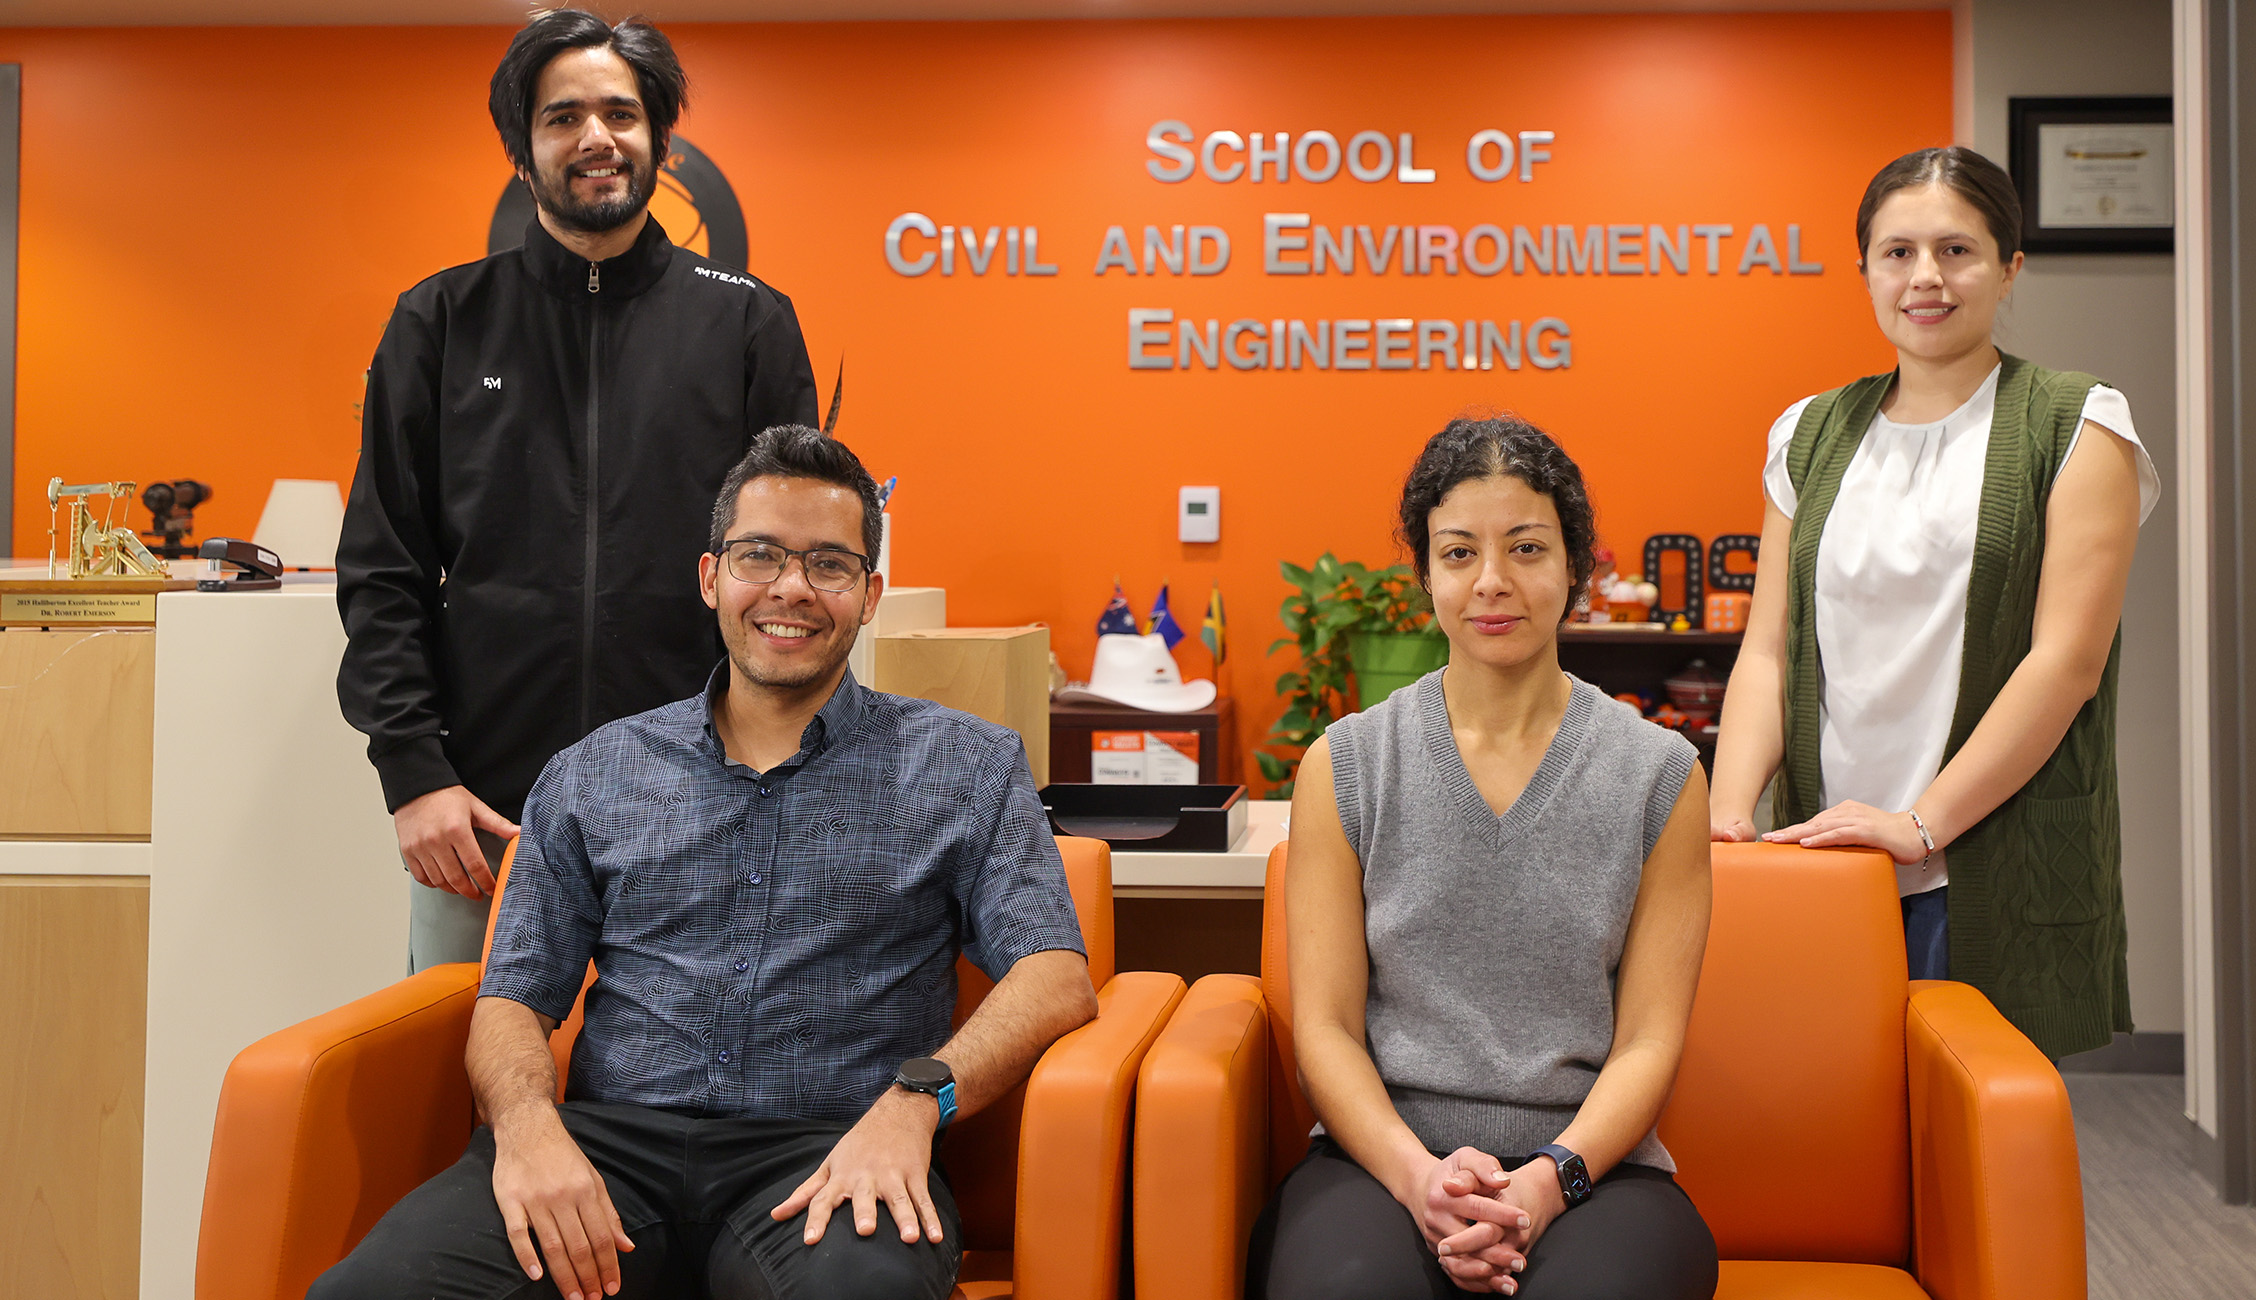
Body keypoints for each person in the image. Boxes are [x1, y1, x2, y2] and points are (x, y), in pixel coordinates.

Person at [312, 426, 1096, 1300]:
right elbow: (513, 1001)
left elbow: (1055, 974)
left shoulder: (965, 765)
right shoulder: (593, 772)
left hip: (832, 1152)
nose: (792, 589)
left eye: (830, 565)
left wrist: (920, 1103)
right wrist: (529, 1126)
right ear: (711, 577)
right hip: (607, 1151)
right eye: (760, 554)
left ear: (870, 595)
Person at [338, 8, 821, 972]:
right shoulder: (439, 323)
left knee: (686, 1106)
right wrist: (413, 775)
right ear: (524, 152)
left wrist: (778, 775)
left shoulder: (748, 326)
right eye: (562, 118)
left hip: (708, 813)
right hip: (485, 825)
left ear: (659, 140)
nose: (596, 137)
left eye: (620, 113)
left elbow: (794, 584)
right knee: (471, 1103)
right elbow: (384, 571)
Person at [1707, 146, 2161, 1061]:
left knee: (1976, 1145)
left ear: (2009, 269)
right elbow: (1768, 649)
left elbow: (2067, 663)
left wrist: (1918, 826)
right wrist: (1728, 818)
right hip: (1821, 860)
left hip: (1979, 858)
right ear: (1866, 270)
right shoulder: (1808, 433)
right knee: (1832, 1127)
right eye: (1898, 252)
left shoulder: (2078, 422)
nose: (1926, 277)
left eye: (1957, 250)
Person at [1253, 416, 1718, 1300]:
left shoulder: (1659, 774)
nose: (1492, 583)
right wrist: (1417, 1176)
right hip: (1379, 1164)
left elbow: (1651, 1041)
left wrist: (1546, 1182)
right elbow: (1327, 1034)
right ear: (1425, 572)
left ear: (1576, 568)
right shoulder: (1345, 767)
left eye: (1527, 548)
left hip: (1594, 1175)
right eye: (1459, 553)